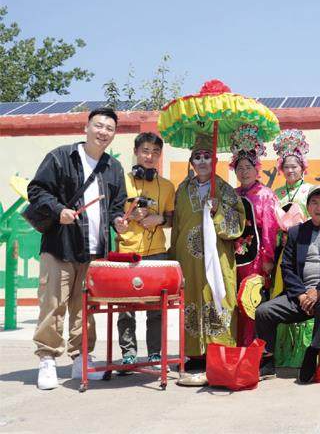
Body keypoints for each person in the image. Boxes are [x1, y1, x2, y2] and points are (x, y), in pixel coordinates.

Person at [29, 107, 128, 390]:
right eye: (99, 125)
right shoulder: (61, 157)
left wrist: (118, 221)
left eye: (109, 128)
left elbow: (116, 206)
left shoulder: (113, 167)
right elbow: (36, 190)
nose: (103, 132)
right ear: (86, 127)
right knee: (53, 304)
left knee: (86, 309)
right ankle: (47, 358)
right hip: (60, 245)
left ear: (114, 134)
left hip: (95, 252)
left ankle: (81, 358)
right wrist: (58, 210)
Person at [255, 185, 320, 383]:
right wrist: (301, 294)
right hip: (301, 296)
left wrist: (319, 291)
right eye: (314, 203)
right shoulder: (296, 232)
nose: (319, 207)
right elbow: (287, 267)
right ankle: (268, 361)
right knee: (264, 311)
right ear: (308, 207)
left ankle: (313, 351)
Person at [171, 135, 246, 374]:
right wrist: (174, 260)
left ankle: (219, 353)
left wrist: (219, 210)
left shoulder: (225, 190)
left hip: (217, 258)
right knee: (191, 301)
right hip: (189, 260)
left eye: (207, 156)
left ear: (215, 161)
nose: (202, 161)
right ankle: (194, 354)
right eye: (197, 157)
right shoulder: (182, 190)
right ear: (191, 162)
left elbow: (238, 224)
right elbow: (177, 227)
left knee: (218, 300)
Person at [116, 132, 175, 370]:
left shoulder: (168, 186)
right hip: (126, 250)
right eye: (145, 151)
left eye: (155, 152)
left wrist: (159, 219)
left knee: (156, 308)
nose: (150, 156)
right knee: (125, 308)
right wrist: (129, 215)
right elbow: (113, 214)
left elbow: (172, 219)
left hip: (157, 252)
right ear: (136, 152)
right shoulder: (121, 182)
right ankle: (128, 354)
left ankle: (154, 354)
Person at [230, 125, 280, 346]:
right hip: (234, 258)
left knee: (251, 299)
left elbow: (270, 229)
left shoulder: (265, 195)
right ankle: (236, 345)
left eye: (248, 167)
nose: (244, 172)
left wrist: (268, 259)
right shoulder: (232, 194)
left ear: (257, 168)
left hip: (257, 258)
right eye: (239, 168)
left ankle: (253, 348)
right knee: (234, 300)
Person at [270, 129, 314, 299]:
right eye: (286, 167)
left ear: (302, 167)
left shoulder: (310, 190)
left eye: (294, 166)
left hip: (305, 244)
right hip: (282, 246)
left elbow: (315, 217)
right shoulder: (276, 193)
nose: (290, 170)